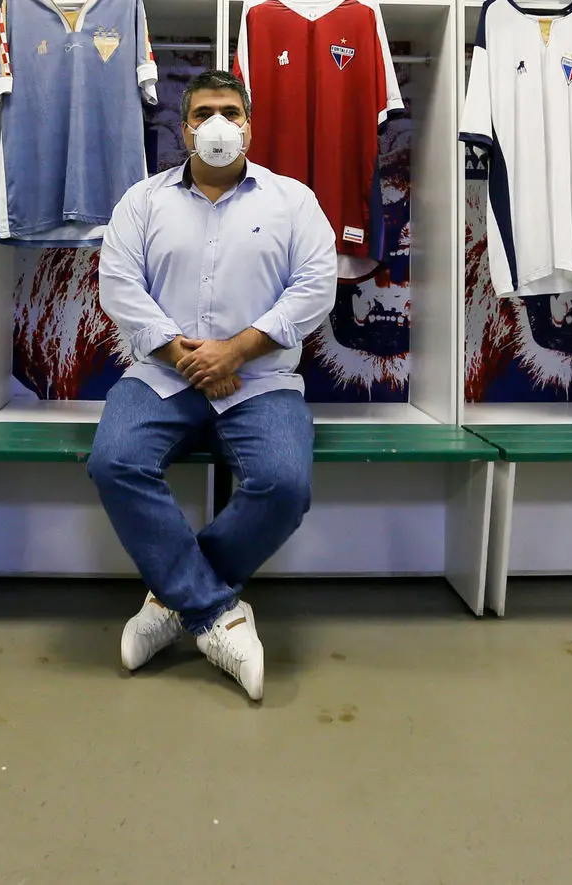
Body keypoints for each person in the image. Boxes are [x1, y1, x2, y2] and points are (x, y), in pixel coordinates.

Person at [88, 68, 338, 701]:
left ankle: (172, 598)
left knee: (285, 484)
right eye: (204, 113)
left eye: (230, 111)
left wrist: (237, 351)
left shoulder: (293, 201)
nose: (217, 124)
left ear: (248, 125)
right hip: (160, 376)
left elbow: (315, 288)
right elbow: (119, 286)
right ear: (185, 127)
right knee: (114, 461)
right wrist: (186, 356)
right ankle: (214, 612)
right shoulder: (142, 201)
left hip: (261, 379)